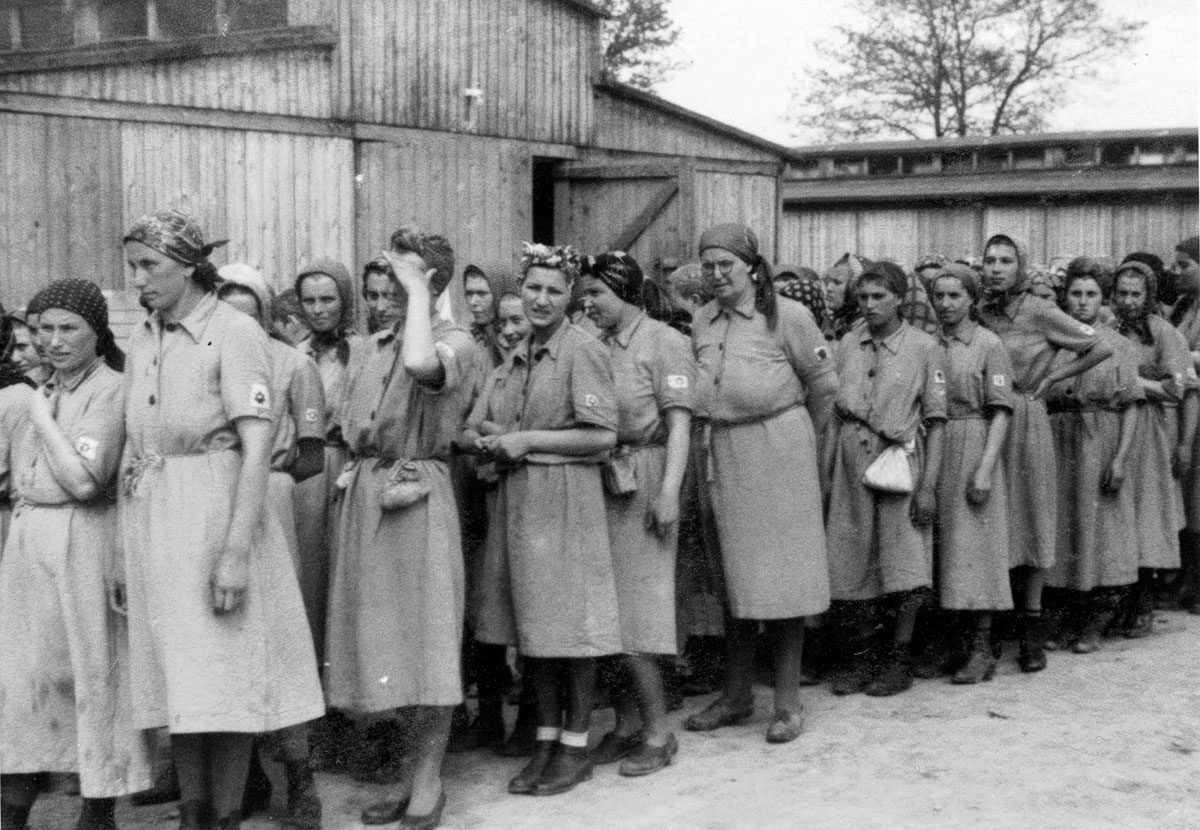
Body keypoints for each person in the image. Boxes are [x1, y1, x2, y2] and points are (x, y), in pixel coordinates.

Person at [120, 209, 325, 830]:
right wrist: (123, 553)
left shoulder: (235, 332)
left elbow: (257, 448)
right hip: (156, 514)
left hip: (218, 509)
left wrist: (234, 554)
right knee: (180, 675)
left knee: (227, 673)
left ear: (188, 267)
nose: (138, 279)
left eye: (150, 265)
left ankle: (226, 814)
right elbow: (134, 444)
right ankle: (193, 811)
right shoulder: (143, 336)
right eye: (132, 266)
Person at [326, 228, 476, 829]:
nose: (386, 292)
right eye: (383, 283)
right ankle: (408, 773)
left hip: (418, 495)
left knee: (427, 642)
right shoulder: (369, 347)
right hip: (369, 493)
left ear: (431, 283)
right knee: (386, 645)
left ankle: (429, 780)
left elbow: (420, 365)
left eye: (402, 281)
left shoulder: (455, 341)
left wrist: (420, 295)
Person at [466, 242, 622, 796]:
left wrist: (527, 440)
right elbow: (484, 421)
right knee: (535, 630)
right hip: (521, 501)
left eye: (554, 291)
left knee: (570, 632)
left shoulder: (583, 350)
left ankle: (574, 748)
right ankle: (545, 743)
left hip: (566, 501)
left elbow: (602, 436)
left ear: (570, 297)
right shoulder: (520, 353)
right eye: (533, 287)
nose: (540, 299)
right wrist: (495, 437)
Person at [0, 280, 153, 830]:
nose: (54, 340)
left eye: (69, 328)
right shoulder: (41, 390)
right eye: (44, 329)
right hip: (29, 540)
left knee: (91, 670)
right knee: (23, 678)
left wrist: (41, 417)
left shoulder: (111, 389)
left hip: (84, 538)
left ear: (97, 333)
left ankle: (99, 808)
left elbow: (85, 482)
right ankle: (12, 810)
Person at [683, 224, 835, 742]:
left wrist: (798, 440)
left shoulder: (788, 316)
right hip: (722, 451)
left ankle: (787, 703)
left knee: (783, 581)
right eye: (708, 265)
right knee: (734, 578)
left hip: (779, 451)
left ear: (752, 266)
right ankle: (737, 695)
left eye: (726, 264)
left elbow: (824, 386)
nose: (716, 274)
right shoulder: (703, 319)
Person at [217, 265, 326, 830]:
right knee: (225, 639)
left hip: (272, 503)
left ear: (264, 316)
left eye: (248, 314)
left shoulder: (293, 365)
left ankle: (300, 778)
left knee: (280, 640)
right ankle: (245, 778)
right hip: (215, 503)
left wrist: (270, 475)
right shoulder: (206, 362)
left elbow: (313, 455)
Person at [579, 251, 694, 776]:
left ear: (624, 292)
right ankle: (626, 725)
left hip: (645, 477)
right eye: (584, 294)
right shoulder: (593, 342)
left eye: (596, 293)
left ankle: (657, 733)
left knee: (639, 615)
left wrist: (668, 492)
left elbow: (681, 425)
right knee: (609, 614)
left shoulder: (664, 342)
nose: (587, 303)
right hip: (604, 478)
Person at [976, 233, 1112, 672]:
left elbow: (1100, 345)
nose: (996, 268)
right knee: (992, 520)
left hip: (1026, 416)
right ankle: (988, 628)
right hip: (985, 419)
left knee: (1033, 516)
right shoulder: (981, 311)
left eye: (1006, 261)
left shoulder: (1039, 310)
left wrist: (1054, 378)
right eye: (990, 260)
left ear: (1021, 266)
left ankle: (1031, 629)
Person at [825, 261, 946, 697]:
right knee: (853, 558)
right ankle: (864, 656)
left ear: (899, 298)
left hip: (898, 462)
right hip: (851, 462)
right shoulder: (848, 343)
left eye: (879, 296)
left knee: (904, 561)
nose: (870, 305)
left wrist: (928, 486)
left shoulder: (924, 347)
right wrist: (827, 473)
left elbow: (937, 419)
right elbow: (835, 414)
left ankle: (899, 658)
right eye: (863, 297)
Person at [1043, 263, 1142, 654]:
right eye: (1076, 294)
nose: (1083, 302)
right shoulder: (1052, 341)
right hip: (1058, 439)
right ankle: (1065, 616)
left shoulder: (1119, 345)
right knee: (1064, 527)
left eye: (1091, 295)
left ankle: (1096, 620)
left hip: (1099, 438)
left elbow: (1131, 405)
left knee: (1101, 529)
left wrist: (1119, 460)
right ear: (1064, 298)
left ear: (1104, 301)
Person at [929, 264, 1014, 684]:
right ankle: (954, 644)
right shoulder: (928, 343)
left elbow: (1001, 411)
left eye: (955, 296)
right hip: (935, 445)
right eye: (939, 296)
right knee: (944, 549)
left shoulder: (988, 344)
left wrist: (984, 468)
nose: (945, 304)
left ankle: (982, 648)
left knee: (976, 548)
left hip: (974, 442)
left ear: (972, 300)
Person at [1112, 259, 1194, 634]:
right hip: (1114, 425)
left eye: (1136, 294)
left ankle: (1144, 600)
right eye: (1122, 293)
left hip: (1150, 428)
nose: (1128, 301)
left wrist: (1131, 381)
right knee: (1118, 511)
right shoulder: (1107, 329)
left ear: (1148, 296)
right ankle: (1119, 598)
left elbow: (1177, 388)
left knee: (1146, 513)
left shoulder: (1164, 334)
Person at [1170, 236, 1200, 613]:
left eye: (1184, 266)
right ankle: (1186, 576)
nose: (1176, 272)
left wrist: (1177, 356)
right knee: (1186, 494)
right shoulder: (1183, 307)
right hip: (1184, 406)